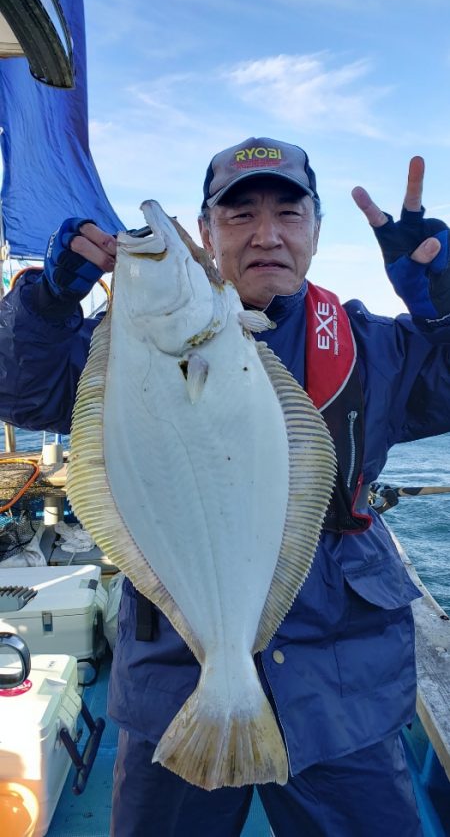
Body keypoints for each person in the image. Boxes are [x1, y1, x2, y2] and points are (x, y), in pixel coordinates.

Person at [0, 136, 449, 837]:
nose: (265, 234)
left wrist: (444, 306)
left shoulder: (375, 348)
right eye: (238, 216)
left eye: (288, 213)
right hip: (175, 686)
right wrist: (49, 306)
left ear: (316, 231)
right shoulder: (122, 346)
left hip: (340, 694)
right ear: (205, 232)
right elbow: (20, 391)